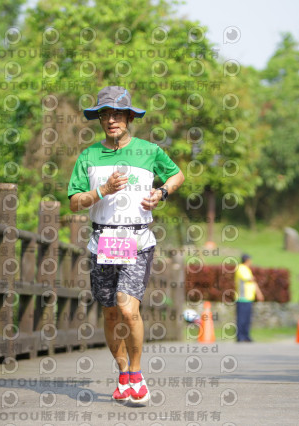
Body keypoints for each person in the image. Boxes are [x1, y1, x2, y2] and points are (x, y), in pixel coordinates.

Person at [68, 86, 185, 403]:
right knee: (109, 313)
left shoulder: (149, 151)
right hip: (103, 239)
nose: (111, 120)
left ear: (130, 117)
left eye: (118, 114)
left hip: (138, 238)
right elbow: (74, 202)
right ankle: (123, 375)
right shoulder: (88, 156)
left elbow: (177, 176)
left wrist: (161, 193)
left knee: (127, 306)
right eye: (105, 114)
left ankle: (136, 373)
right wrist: (101, 191)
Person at [235, 253, 264, 342]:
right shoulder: (240, 268)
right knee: (241, 319)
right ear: (247, 260)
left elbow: (253, 281)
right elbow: (249, 279)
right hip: (242, 298)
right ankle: (240, 336)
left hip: (248, 298)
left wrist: (258, 293)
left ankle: (246, 336)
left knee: (247, 319)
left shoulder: (247, 269)